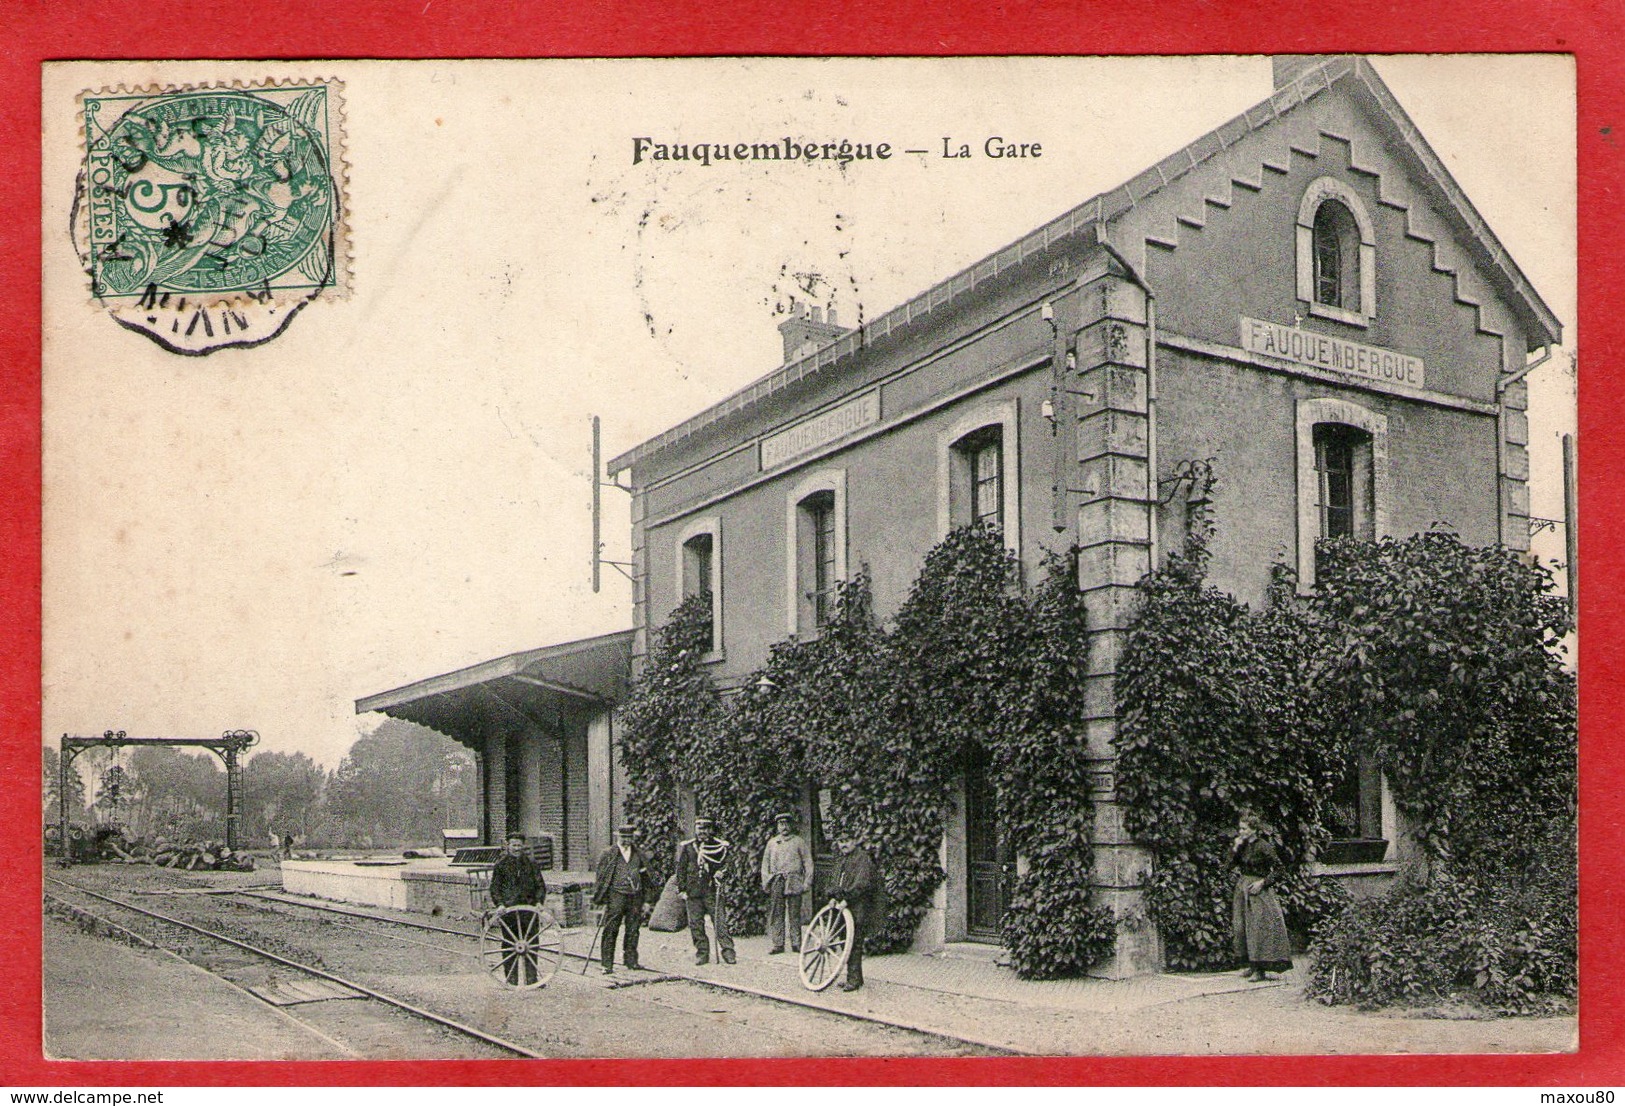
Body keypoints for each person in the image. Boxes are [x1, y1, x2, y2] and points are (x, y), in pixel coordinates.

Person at [1231, 810, 1293, 982]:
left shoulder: (1264, 846)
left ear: (1253, 830)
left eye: (1244, 829)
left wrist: (1262, 883)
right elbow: (1228, 865)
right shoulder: (1242, 846)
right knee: (1242, 928)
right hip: (1243, 890)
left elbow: (1280, 870)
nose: (1241, 832)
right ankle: (1251, 965)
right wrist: (1235, 848)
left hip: (1259, 892)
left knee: (1258, 929)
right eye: (1240, 828)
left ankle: (1261, 970)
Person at [488, 832, 548, 985]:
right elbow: (495, 888)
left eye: (519, 845)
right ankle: (511, 979)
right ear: (508, 845)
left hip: (528, 910)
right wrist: (500, 904)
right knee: (509, 944)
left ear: (523, 846)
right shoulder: (501, 865)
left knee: (532, 944)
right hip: (509, 911)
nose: (516, 848)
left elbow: (540, 885)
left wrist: (539, 902)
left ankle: (531, 979)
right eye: (513, 845)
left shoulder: (531, 863)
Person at [674, 816, 735, 965]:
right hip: (693, 891)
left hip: (712, 890)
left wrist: (722, 872)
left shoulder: (720, 847)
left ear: (711, 830)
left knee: (720, 922)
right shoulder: (688, 847)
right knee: (695, 924)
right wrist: (681, 889)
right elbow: (681, 869)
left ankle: (728, 952)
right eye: (700, 828)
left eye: (706, 828)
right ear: (696, 829)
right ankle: (702, 953)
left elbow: (729, 864)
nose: (703, 832)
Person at [593, 822, 651, 974]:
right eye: (623, 837)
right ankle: (607, 964)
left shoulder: (639, 854)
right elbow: (601, 877)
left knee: (633, 929)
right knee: (611, 929)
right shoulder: (609, 853)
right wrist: (603, 898)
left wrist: (647, 900)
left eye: (629, 837)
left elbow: (646, 878)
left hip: (635, 897)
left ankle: (631, 961)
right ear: (618, 837)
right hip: (616, 896)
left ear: (633, 838)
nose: (626, 840)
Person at [829, 834, 879, 992]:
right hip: (843, 908)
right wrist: (831, 896)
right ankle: (855, 977)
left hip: (858, 907)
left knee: (855, 942)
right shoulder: (841, 859)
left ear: (854, 841)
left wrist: (847, 900)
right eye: (840, 841)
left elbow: (862, 884)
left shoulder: (862, 858)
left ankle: (854, 979)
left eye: (846, 841)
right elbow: (834, 881)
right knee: (846, 941)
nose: (843, 845)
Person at [760, 811, 813, 954]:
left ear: (791, 825)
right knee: (777, 912)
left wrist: (807, 882)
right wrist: (766, 881)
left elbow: (808, 862)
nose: (784, 827)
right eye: (781, 824)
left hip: (794, 880)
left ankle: (796, 943)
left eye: (787, 823)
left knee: (794, 913)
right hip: (777, 880)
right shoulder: (772, 843)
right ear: (777, 826)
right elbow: (765, 865)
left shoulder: (798, 842)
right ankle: (778, 944)